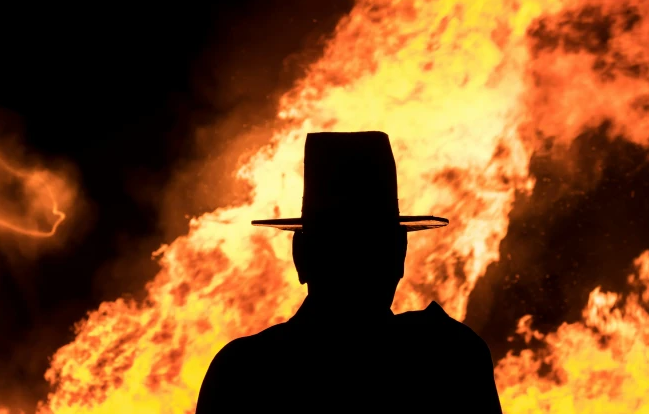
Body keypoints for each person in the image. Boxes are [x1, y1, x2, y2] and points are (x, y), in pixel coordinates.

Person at [195, 131, 503, 413]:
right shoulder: (452, 362)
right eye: (345, 246)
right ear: (399, 255)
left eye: (364, 246)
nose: (355, 261)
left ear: (300, 255)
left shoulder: (242, 372)